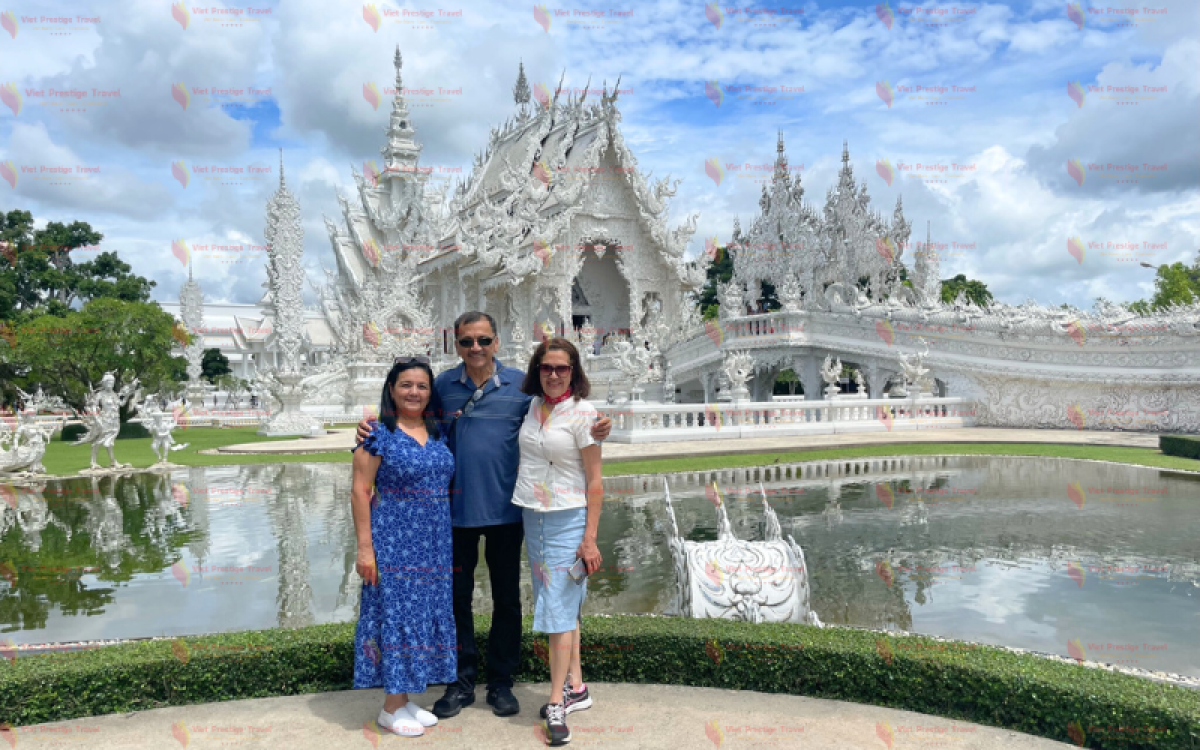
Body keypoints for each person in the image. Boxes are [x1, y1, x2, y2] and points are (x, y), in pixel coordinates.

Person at [357, 312, 611, 720]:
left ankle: (500, 682)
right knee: (455, 601)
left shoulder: (519, 387)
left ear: (497, 342)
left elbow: (560, 412)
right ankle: (460, 682)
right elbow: (411, 415)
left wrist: (597, 424)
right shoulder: (441, 386)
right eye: (466, 341)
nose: (475, 348)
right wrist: (370, 425)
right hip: (452, 514)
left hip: (507, 511)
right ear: (455, 344)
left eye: (483, 340)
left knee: (507, 600)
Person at [351, 356, 456, 737]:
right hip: (394, 540)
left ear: (431, 392)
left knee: (423, 614)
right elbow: (361, 492)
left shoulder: (436, 431)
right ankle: (390, 708)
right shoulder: (376, 434)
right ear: (392, 390)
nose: (414, 392)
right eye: (406, 385)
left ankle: (407, 697)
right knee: (396, 615)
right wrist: (365, 549)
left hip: (434, 543)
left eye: (422, 386)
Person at [513, 338, 602, 747]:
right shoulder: (531, 408)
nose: (553, 375)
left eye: (562, 368)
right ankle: (576, 686)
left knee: (557, 609)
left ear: (573, 371)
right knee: (560, 603)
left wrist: (590, 540)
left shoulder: (584, 414)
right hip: (535, 516)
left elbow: (596, 483)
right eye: (546, 367)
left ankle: (555, 703)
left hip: (569, 518)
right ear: (537, 370)